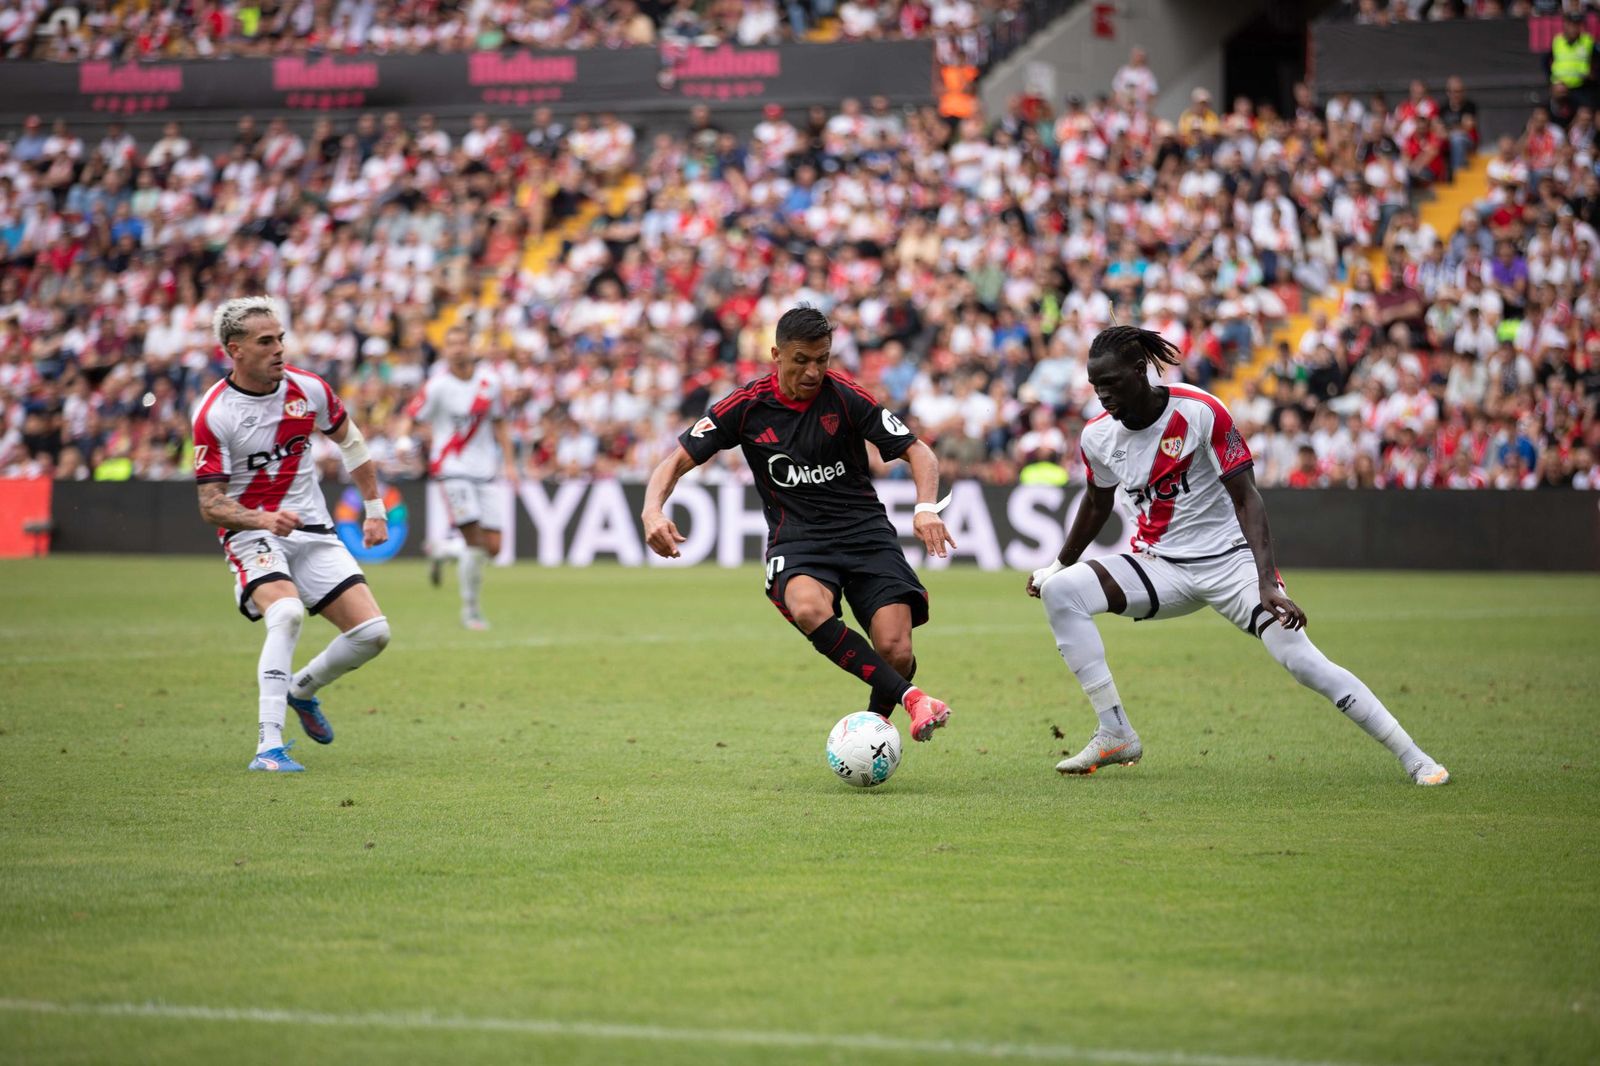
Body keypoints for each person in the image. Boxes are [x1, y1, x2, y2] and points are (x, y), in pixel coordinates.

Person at [1025, 326, 1449, 786]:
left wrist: (1267, 581)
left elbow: (1248, 498)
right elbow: (1096, 503)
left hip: (1231, 563)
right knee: (1062, 591)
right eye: (1096, 386)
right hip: (1158, 565)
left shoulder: (1200, 411)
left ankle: (1414, 757)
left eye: (1111, 383)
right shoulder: (1097, 436)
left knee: (1302, 661)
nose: (1103, 395)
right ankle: (1115, 732)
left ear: (1140, 370)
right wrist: (1057, 566)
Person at [641, 306, 955, 742]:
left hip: (864, 532)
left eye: (822, 359)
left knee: (896, 651)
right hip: (799, 539)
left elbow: (918, 451)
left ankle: (873, 734)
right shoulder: (746, 406)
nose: (812, 371)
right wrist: (652, 510)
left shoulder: (846, 396)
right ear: (777, 355)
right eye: (801, 360)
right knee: (808, 608)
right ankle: (913, 700)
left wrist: (925, 508)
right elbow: (675, 462)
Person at [192, 297, 392, 773]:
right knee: (285, 613)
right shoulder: (215, 412)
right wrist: (263, 520)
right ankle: (269, 747)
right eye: (266, 341)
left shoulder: (308, 389)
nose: (279, 348)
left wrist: (375, 509)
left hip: (312, 529)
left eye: (280, 338)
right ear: (235, 350)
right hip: (251, 534)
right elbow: (210, 503)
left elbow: (351, 442)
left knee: (373, 634)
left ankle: (301, 690)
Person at [404, 325, 517, 630]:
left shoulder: (490, 383)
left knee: (494, 547)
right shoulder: (437, 386)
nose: (457, 349)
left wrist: (510, 464)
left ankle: (443, 550)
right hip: (451, 469)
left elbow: (500, 423)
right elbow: (411, 416)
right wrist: (404, 443)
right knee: (475, 542)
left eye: (461, 343)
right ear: (445, 350)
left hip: (485, 470)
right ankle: (471, 611)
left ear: (471, 347)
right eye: (451, 344)